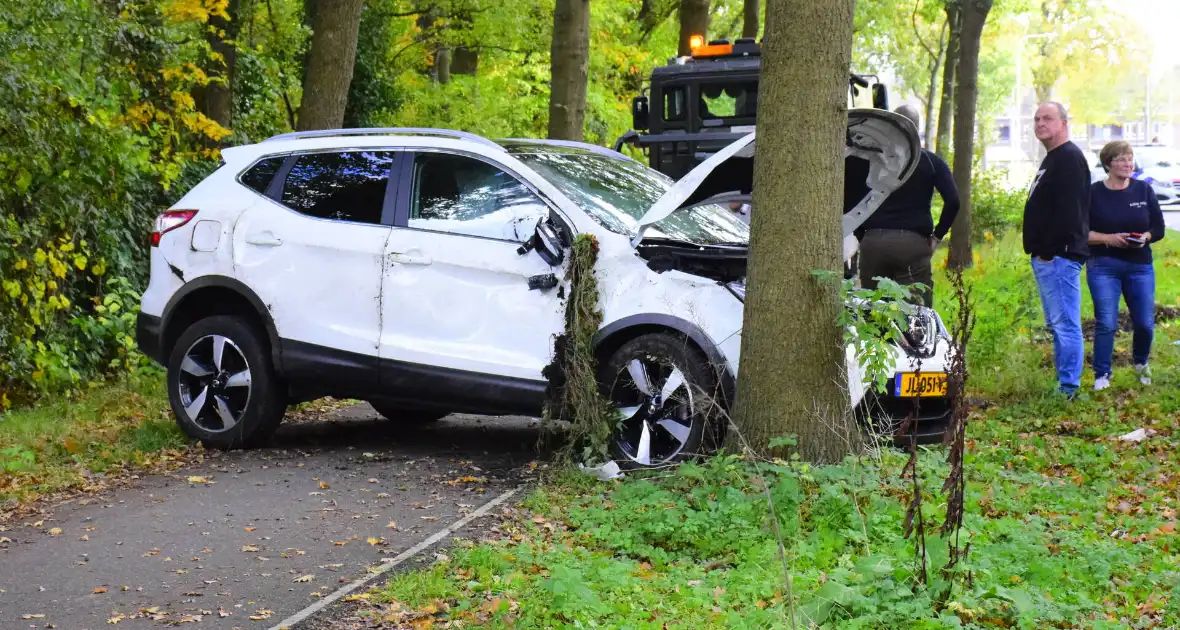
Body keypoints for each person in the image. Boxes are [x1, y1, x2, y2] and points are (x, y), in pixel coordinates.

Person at [855, 104, 960, 306]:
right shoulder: (931, 161)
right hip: (912, 245)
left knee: (874, 312)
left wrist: (864, 235)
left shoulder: (873, 160)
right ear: (917, 128)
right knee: (915, 315)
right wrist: (937, 236)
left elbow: (855, 198)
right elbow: (953, 201)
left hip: (873, 244)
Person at [1022, 102, 1091, 399]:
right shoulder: (1053, 158)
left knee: (1066, 324)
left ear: (1064, 122)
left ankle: (1069, 389)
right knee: (1059, 323)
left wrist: (1052, 251)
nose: (1040, 123)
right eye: (1037, 119)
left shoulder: (1069, 158)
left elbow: (1071, 212)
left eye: (1047, 118)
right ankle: (1065, 385)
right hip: (1049, 257)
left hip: (1059, 257)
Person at [1086, 141, 1165, 390]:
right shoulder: (1093, 193)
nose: (1127, 163)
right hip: (1103, 265)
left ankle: (1140, 362)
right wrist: (1108, 239)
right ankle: (1101, 374)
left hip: (1140, 265)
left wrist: (1145, 238)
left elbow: (1158, 228)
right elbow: (1079, 232)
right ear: (1108, 163)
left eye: (1130, 158)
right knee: (1107, 322)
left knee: (1144, 322)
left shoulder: (1143, 190)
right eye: (1121, 159)